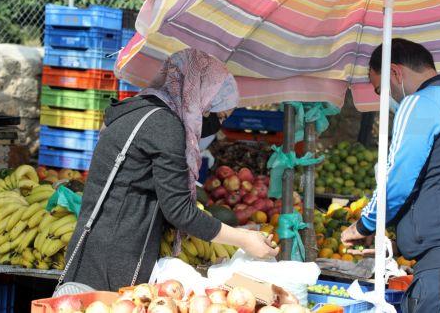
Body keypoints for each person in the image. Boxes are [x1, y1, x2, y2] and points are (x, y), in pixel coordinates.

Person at [65, 49, 279, 291]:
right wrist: (244, 239)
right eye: (216, 114)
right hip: (114, 261)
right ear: (199, 98)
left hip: (96, 249)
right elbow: (180, 212)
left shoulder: (137, 110)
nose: (213, 123)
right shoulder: (164, 125)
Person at [341, 38, 440, 313]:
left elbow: (398, 178)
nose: (385, 97)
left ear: (395, 72)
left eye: (381, 89)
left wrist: (365, 225)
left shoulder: (423, 104)